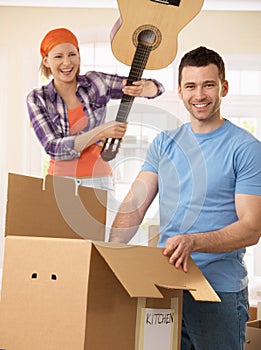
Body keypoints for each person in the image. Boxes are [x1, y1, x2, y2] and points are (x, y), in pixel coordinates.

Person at [109, 46, 261, 349]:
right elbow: (134, 207)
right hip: (166, 287)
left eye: (208, 84)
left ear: (224, 87)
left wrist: (194, 241)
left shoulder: (245, 148)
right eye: (191, 86)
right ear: (180, 91)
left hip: (218, 293)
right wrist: (109, 255)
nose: (199, 95)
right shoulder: (165, 143)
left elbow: (252, 227)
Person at [27, 28, 164, 191]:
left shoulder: (95, 82)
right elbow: (54, 147)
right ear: (46, 61)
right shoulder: (38, 98)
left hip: (99, 180)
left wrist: (142, 89)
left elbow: (157, 88)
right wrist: (102, 132)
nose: (67, 63)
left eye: (72, 54)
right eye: (58, 56)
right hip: (60, 182)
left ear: (78, 55)